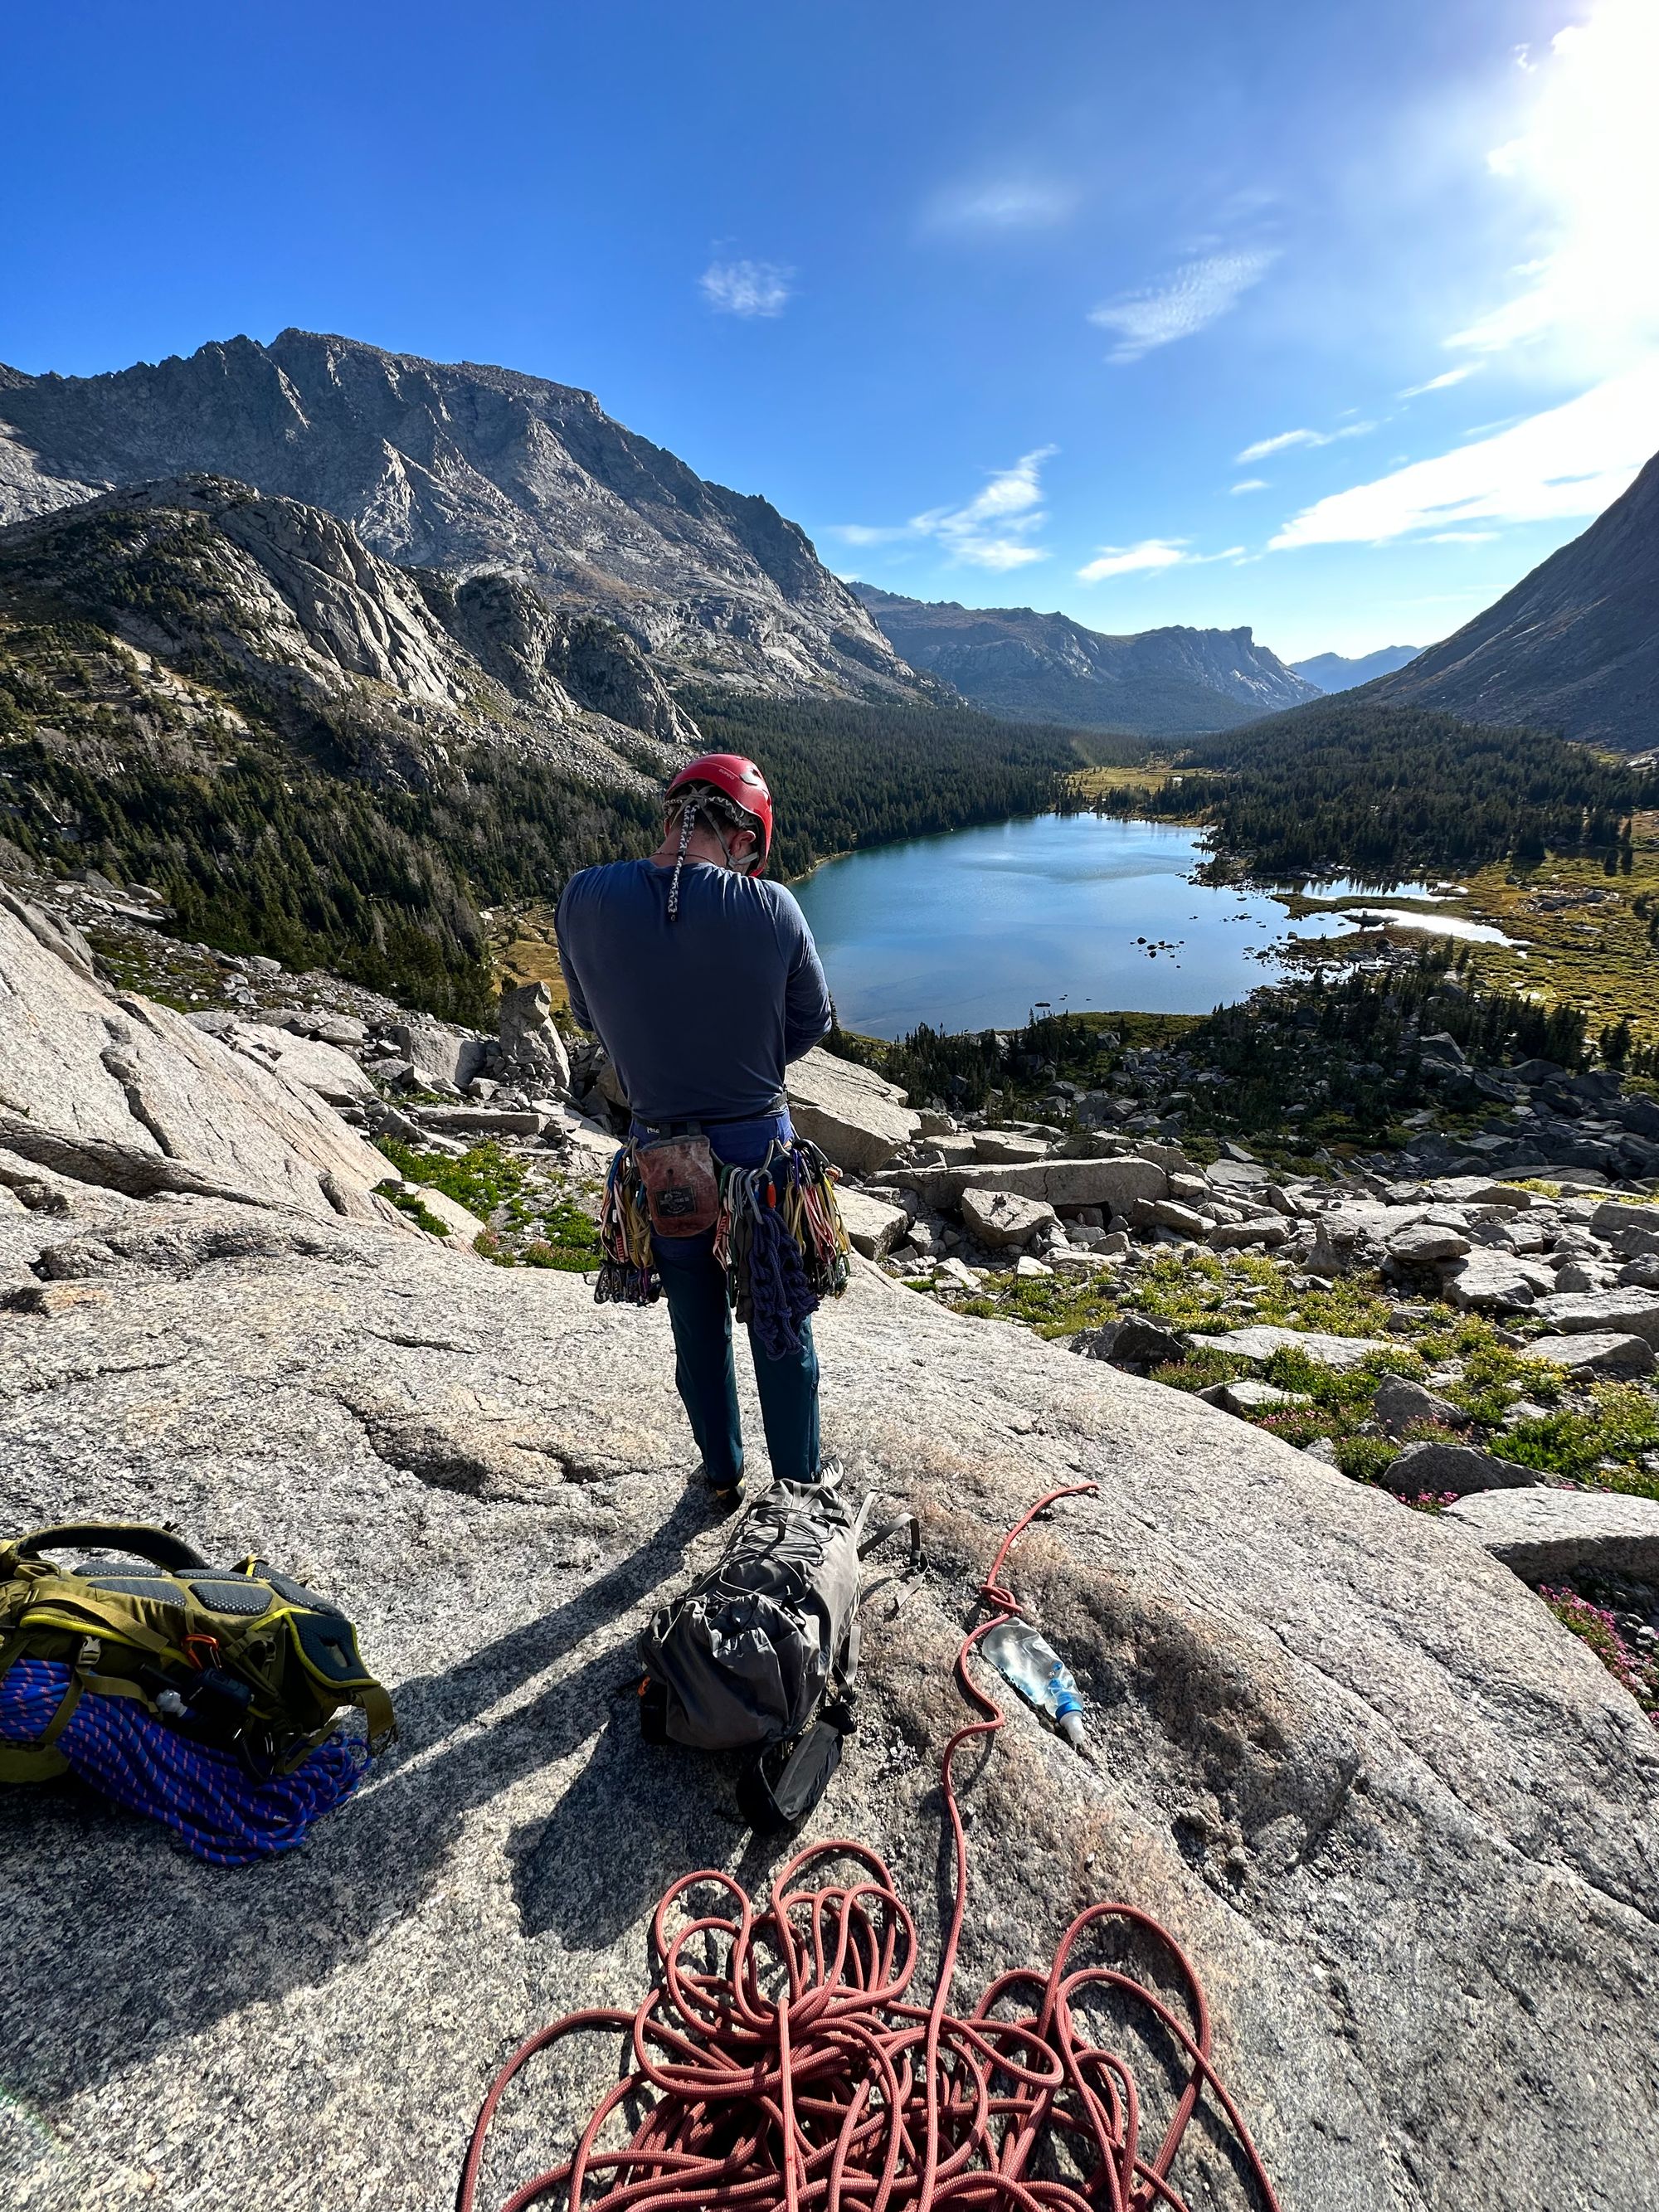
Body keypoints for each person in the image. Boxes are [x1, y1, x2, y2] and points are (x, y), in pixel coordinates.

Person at [555, 753, 834, 1508]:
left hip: (661, 1151)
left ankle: (720, 1471)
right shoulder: (772, 908)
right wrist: (742, 1051)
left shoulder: (583, 897)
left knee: (695, 1320)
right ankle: (799, 1490)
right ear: (743, 836)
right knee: (779, 1315)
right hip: (759, 1155)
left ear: (674, 814)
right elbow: (812, 1021)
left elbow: (587, 1016)